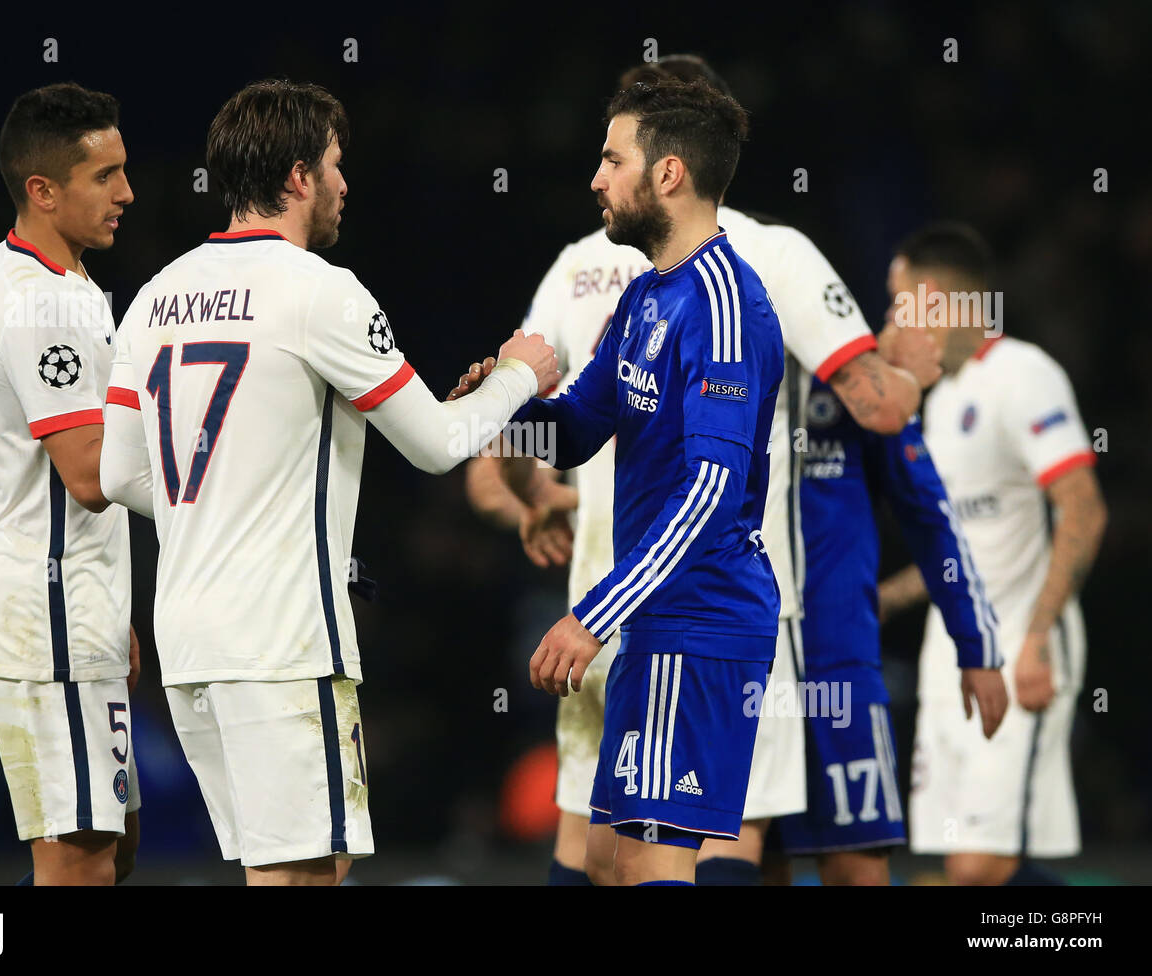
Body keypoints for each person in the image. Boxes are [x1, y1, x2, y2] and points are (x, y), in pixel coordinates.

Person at [460, 54, 941, 885]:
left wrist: (591, 615)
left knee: (664, 862)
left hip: (702, 622)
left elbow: (713, 491)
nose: (595, 178)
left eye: (612, 159)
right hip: (660, 621)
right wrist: (505, 403)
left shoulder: (726, 301)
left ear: (669, 172)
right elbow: (577, 428)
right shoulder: (648, 295)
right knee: (625, 858)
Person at [98, 79, 558, 886]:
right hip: (281, 641)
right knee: (302, 878)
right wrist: (521, 374)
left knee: (300, 869)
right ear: (301, 176)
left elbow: (118, 473)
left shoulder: (153, 299)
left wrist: (225, 495)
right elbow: (439, 445)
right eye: (338, 164)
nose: (347, 183)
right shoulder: (321, 291)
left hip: (188, 640)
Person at [878, 222, 1107, 885]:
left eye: (898, 301)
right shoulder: (938, 402)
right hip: (948, 664)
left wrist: (1036, 637)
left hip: (1015, 656)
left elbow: (1084, 509)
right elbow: (959, 551)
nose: (890, 318)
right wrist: (879, 600)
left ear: (937, 301)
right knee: (969, 864)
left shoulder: (1022, 374)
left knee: (977, 868)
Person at [0, 82, 141, 886]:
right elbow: (89, 476)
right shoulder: (44, 305)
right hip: (47, 613)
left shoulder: (26, 274)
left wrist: (115, 606)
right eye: (104, 176)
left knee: (115, 843)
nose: (127, 193)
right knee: (80, 866)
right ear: (43, 189)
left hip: (69, 605)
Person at [768, 372, 1006, 884]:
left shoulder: (858, 380)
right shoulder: (714, 357)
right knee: (745, 853)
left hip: (837, 664)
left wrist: (976, 644)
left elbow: (930, 517)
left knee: (857, 860)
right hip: (740, 664)